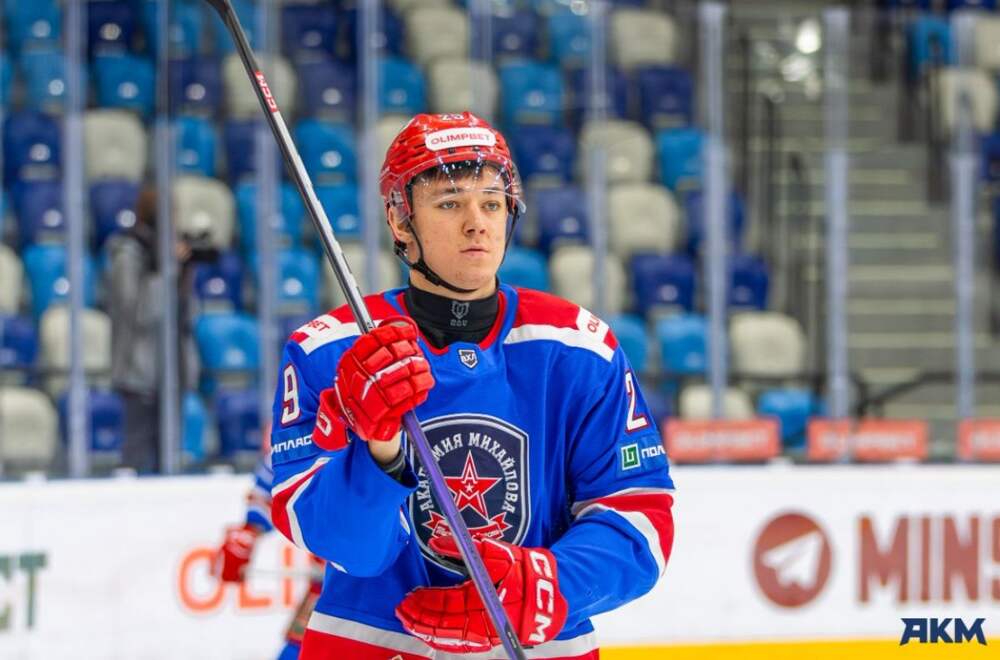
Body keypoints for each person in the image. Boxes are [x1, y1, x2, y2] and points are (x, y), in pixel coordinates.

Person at [268, 112, 675, 659]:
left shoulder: (579, 348)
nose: (477, 223)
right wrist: (380, 451)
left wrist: (546, 586)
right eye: (449, 203)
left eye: (492, 203)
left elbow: (640, 518)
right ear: (400, 221)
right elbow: (350, 549)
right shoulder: (332, 352)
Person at [105, 187, 201, 474]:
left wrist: (185, 274)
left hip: (172, 369)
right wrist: (168, 271)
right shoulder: (128, 252)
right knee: (136, 457)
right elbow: (138, 313)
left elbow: (188, 315)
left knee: (168, 457)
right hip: (139, 372)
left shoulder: (167, 253)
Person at [214, 425, 325, 660]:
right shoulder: (320, 411)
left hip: (397, 584)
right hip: (332, 585)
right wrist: (247, 534)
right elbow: (283, 465)